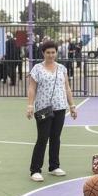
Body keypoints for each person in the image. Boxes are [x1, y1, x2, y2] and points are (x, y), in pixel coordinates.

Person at [26, 40, 78, 181]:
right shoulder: (37, 68)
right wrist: (30, 105)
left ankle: (54, 166)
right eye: (48, 52)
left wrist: (72, 106)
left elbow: (67, 88)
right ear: (43, 53)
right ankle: (35, 170)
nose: (50, 55)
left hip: (60, 107)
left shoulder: (62, 68)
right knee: (42, 138)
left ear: (56, 53)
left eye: (53, 52)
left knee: (56, 138)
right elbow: (32, 88)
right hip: (43, 108)